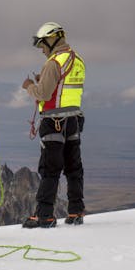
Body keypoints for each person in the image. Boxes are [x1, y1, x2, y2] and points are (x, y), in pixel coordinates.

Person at [21, 22, 86, 228]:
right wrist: (45, 81)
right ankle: (76, 211)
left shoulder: (54, 63)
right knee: (73, 168)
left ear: (51, 39)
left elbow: (43, 94)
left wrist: (30, 86)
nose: (42, 50)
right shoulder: (77, 61)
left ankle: (44, 215)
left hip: (53, 122)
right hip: (73, 121)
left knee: (50, 168)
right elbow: (65, 89)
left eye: (42, 45)